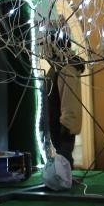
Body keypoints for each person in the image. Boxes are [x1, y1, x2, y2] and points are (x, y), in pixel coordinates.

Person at [44, 25, 85, 169]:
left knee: (64, 159)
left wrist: (66, 125)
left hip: (63, 125)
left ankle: (65, 181)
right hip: (55, 121)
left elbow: (69, 100)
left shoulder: (67, 69)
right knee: (61, 160)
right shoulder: (56, 67)